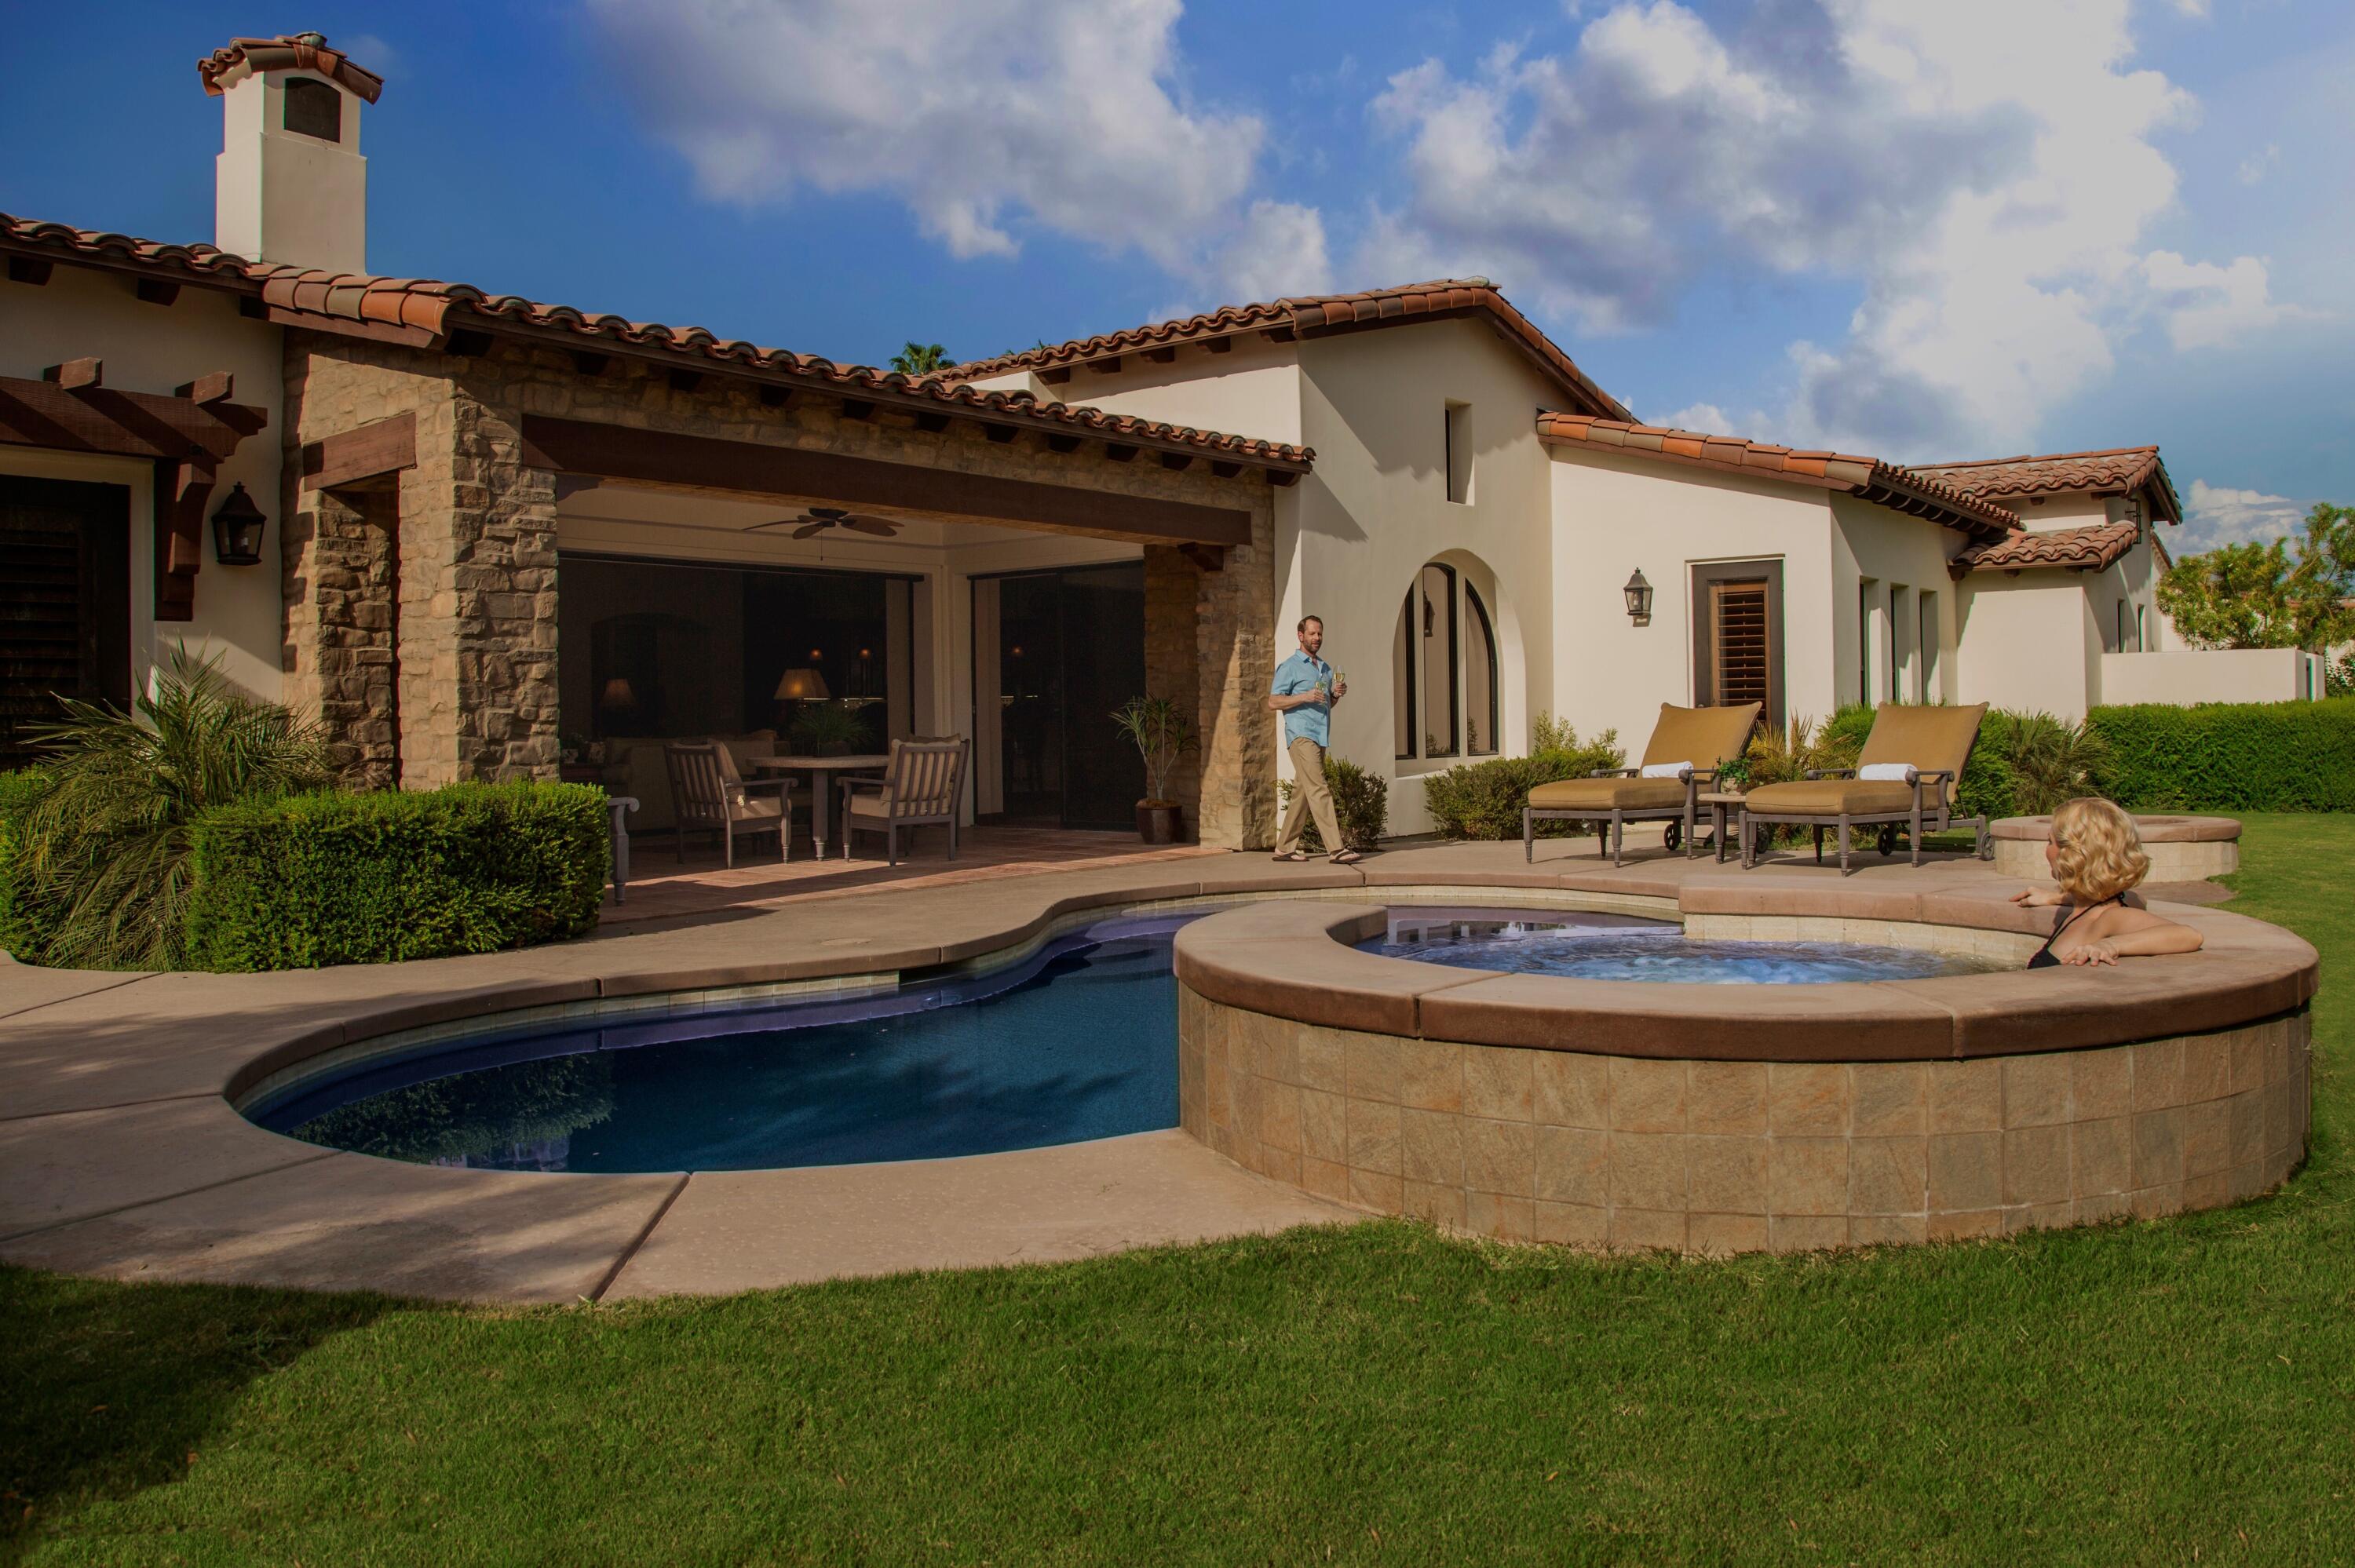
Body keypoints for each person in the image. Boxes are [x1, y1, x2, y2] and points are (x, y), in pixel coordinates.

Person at [2011, 797, 2204, 967]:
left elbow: (2188, 935)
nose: (2047, 850)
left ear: (2071, 853)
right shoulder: (2105, 904)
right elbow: (2135, 898)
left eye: (2050, 842)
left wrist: (2110, 945)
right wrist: (2056, 898)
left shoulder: (2108, 918)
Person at [1267, 614, 1359, 864]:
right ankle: (1336, 849)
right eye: (1312, 633)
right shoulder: (1289, 667)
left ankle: (1285, 847)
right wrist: (1304, 696)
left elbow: (1327, 703)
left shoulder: (1326, 668)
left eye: (1319, 633)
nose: (1317, 638)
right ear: (1301, 636)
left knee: (1304, 791)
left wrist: (1336, 695)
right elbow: (1273, 701)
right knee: (1318, 788)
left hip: (1320, 734)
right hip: (1300, 734)